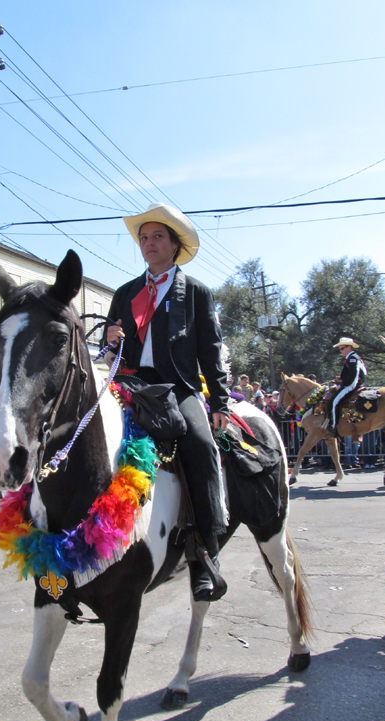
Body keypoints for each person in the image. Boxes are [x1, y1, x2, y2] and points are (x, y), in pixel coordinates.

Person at [104, 202, 230, 602]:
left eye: (157, 236)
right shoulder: (125, 293)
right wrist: (109, 341)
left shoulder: (196, 293)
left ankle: (204, 553)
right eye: (143, 238)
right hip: (130, 385)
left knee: (201, 445)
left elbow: (210, 351)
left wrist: (221, 402)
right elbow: (112, 343)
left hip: (177, 388)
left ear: (174, 246)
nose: (149, 243)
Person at [329, 337, 367, 430]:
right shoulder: (353, 358)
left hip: (351, 386)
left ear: (349, 347)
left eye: (342, 348)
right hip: (353, 384)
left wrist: (343, 384)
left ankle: (332, 426)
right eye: (340, 349)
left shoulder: (352, 359)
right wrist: (341, 379)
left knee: (332, 402)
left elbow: (353, 377)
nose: (341, 351)